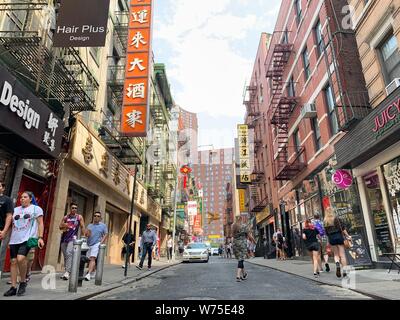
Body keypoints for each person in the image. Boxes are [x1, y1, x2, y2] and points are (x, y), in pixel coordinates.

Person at [4, 191, 45, 297]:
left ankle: (22, 282)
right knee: (13, 262)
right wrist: (7, 238)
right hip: (14, 239)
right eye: (21, 197)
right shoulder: (15, 210)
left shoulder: (36, 209)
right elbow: (11, 225)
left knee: (20, 259)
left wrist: (40, 238)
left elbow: (40, 223)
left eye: (25, 197)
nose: (22, 199)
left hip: (27, 238)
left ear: (30, 199)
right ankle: (13, 287)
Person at [59, 202, 85, 280]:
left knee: (69, 253)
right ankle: (67, 271)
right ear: (70, 208)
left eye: (75, 208)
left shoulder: (79, 217)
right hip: (64, 238)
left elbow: (82, 226)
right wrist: (64, 225)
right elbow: (60, 226)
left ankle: (68, 272)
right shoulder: (66, 217)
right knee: (66, 256)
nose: (74, 209)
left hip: (73, 238)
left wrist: (83, 237)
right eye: (72, 208)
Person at [323, 207, 352, 278]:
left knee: (336, 254)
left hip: (331, 238)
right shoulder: (337, 219)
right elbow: (343, 229)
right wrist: (348, 236)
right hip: (339, 236)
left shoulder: (325, 221)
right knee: (342, 255)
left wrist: (328, 241)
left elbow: (326, 233)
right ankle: (344, 271)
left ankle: (337, 264)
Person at [84, 211, 108, 281]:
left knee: (92, 258)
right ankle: (93, 271)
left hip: (97, 243)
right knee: (89, 259)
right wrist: (87, 234)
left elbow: (106, 234)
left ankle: (88, 274)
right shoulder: (89, 225)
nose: (96, 217)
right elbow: (86, 235)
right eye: (95, 216)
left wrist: (101, 242)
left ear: (100, 218)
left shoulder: (103, 225)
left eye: (98, 216)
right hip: (89, 244)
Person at [232, 216, 255, 282]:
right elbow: (249, 235)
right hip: (242, 244)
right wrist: (254, 241)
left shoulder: (233, 226)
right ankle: (238, 276)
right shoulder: (243, 226)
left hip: (235, 244)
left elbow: (232, 235)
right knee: (241, 260)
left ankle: (244, 274)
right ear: (241, 219)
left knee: (240, 259)